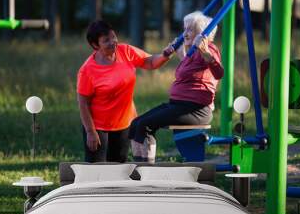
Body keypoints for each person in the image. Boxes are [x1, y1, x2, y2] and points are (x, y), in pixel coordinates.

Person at [128, 11, 224, 163]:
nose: (184, 34)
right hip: (178, 105)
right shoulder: (192, 54)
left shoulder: (209, 49)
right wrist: (179, 53)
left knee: (145, 125)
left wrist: (205, 51)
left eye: (190, 30)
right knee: (135, 125)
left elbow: (218, 72)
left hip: (195, 110)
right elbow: (191, 72)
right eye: (184, 29)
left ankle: (145, 169)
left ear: (201, 34)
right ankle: (138, 166)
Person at [77, 20, 171, 163]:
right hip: (98, 127)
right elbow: (83, 103)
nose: (113, 42)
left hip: (125, 123)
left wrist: (165, 56)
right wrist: (90, 131)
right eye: (106, 40)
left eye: (113, 36)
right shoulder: (87, 70)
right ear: (95, 45)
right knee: (96, 170)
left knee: (119, 167)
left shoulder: (125, 51)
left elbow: (151, 62)